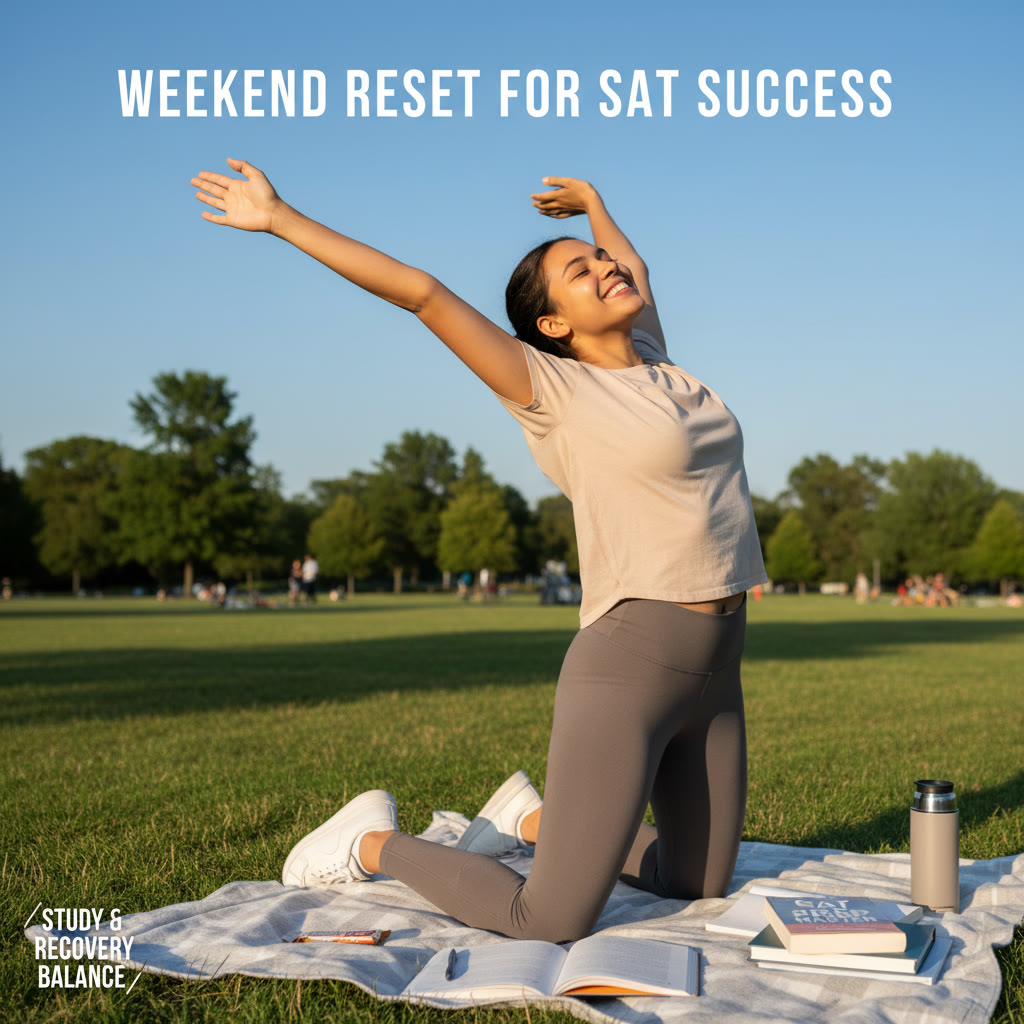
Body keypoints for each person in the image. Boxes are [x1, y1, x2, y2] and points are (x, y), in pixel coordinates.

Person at [192, 160, 767, 944]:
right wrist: (281, 217)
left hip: (720, 661)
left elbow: (636, 266)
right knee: (550, 920)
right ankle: (370, 842)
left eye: (603, 261)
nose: (606, 268)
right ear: (555, 324)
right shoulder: (551, 391)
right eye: (581, 269)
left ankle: (530, 821)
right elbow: (422, 292)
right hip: (631, 663)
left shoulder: (658, 363)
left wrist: (595, 207)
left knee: (694, 882)